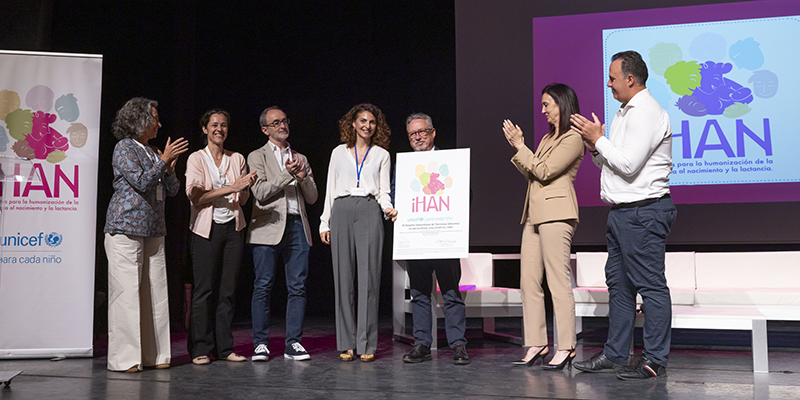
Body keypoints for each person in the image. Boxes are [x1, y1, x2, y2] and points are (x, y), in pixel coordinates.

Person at [570, 50, 677, 380]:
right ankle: (616, 354)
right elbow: (611, 163)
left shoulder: (646, 112)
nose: (608, 83)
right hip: (623, 213)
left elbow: (629, 165)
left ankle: (654, 360)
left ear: (631, 79)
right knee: (619, 286)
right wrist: (595, 146)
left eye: (613, 78)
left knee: (651, 286)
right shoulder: (623, 113)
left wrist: (598, 138)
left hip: (643, 212)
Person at [503, 84, 585, 370]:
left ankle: (566, 346)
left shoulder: (574, 138)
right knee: (528, 281)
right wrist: (522, 148)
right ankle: (537, 343)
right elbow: (533, 172)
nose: (543, 110)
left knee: (557, 282)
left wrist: (520, 146)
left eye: (547, 104)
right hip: (534, 214)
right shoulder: (547, 138)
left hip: (557, 213)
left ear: (561, 104)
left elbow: (545, 171)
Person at [103, 97, 188, 372]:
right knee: (126, 295)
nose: (159, 124)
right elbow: (141, 182)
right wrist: (163, 160)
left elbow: (172, 190)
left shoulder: (152, 151)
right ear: (139, 120)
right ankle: (125, 359)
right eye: (155, 118)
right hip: (125, 228)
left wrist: (170, 166)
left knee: (156, 293)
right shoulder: (124, 147)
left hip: (153, 229)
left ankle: (156, 355)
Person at [320, 103, 397, 362]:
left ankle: (366, 343)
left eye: (372, 122)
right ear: (352, 123)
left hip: (369, 209)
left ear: (377, 127)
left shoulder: (381, 155)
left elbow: (383, 190)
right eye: (362, 121)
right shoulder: (338, 153)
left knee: (369, 279)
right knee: (343, 279)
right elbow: (330, 187)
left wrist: (388, 209)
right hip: (341, 209)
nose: (367, 126)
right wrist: (324, 222)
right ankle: (346, 342)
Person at [393, 113, 469, 365]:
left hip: (445, 237)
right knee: (420, 294)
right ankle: (422, 344)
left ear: (433, 132)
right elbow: (395, 196)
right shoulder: (404, 169)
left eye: (422, 132)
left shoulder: (451, 162)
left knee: (451, 293)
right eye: (413, 134)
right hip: (416, 239)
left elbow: (464, 195)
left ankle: (458, 345)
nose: (418, 137)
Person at [185, 109, 257, 365]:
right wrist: (231, 187)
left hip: (233, 229)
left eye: (224, 125)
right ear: (204, 129)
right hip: (206, 229)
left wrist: (246, 187)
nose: (219, 129)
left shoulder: (236, 158)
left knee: (227, 291)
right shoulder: (196, 158)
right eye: (214, 125)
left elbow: (243, 198)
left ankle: (225, 348)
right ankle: (200, 348)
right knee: (204, 290)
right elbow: (195, 197)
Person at [247, 106, 318, 362]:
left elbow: (311, 197)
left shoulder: (300, 157)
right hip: (267, 226)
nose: (282, 126)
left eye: (284, 121)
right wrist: (287, 174)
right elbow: (262, 193)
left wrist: (301, 177)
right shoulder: (256, 156)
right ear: (265, 129)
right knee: (263, 285)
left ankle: (294, 343)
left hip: (297, 224)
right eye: (275, 123)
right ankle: (260, 344)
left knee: (297, 286)